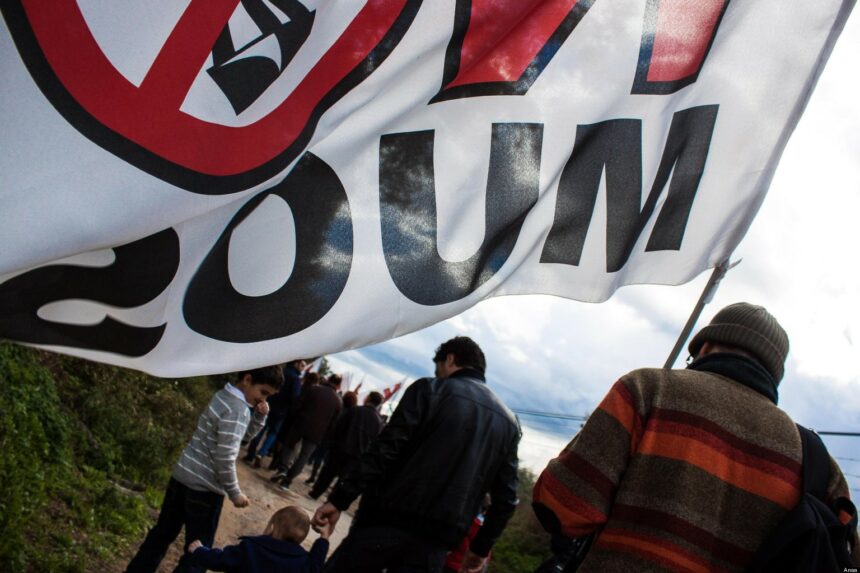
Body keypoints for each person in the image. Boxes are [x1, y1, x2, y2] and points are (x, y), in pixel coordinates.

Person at [532, 302, 860, 571]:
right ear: (774, 373)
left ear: (704, 347)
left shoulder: (648, 390)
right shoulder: (819, 464)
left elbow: (561, 508)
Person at [312, 336, 521, 573]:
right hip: (435, 545)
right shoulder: (509, 424)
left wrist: (340, 499)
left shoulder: (429, 390)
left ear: (450, 359)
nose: (438, 375)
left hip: (385, 522)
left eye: (438, 369)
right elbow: (506, 499)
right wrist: (480, 548)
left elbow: (384, 451)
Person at [126, 366, 284, 573]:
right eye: (263, 392)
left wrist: (258, 417)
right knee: (198, 553)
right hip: (205, 489)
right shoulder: (238, 410)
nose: (264, 400)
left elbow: (240, 438)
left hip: (182, 476)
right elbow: (225, 457)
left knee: (161, 535)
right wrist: (235, 493)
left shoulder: (222, 395)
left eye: (269, 396)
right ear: (247, 380)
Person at [187, 505, 331, 572]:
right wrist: (323, 538)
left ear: (273, 527)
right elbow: (316, 563)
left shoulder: (250, 548)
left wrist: (200, 551)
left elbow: (221, 560)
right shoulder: (303, 562)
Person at [308, 391, 384, 499]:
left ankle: (316, 492)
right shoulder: (378, 422)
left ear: (368, 399)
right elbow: (374, 441)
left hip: (340, 447)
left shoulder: (355, 410)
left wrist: (333, 441)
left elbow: (339, 425)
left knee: (328, 472)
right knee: (343, 478)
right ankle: (333, 499)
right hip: (357, 454)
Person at [272, 373, 343, 490]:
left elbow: (298, 405)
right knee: (304, 457)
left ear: (328, 379)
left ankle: (283, 469)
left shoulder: (314, 389)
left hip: (301, 424)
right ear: (339, 386)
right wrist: (325, 437)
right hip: (317, 433)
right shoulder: (338, 402)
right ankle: (287, 481)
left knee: (289, 446)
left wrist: (294, 418)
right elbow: (333, 424)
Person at [244, 359, 306, 467]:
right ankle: (261, 453)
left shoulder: (281, 372)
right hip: (281, 411)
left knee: (260, 428)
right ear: (296, 364)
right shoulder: (296, 379)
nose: (303, 368)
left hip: (269, 404)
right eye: (302, 365)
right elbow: (295, 397)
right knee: (273, 433)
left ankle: (251, 453)